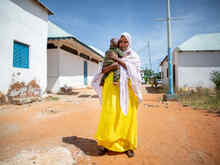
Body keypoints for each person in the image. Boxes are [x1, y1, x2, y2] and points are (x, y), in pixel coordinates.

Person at [92, 32, 142, 158]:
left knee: (127, 117)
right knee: (109, 115)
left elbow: (135, 72)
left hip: (128, 91)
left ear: (129, 43)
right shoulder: (111, 53)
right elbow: (103, 70)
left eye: (126, 42)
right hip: (111, 88)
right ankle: (105, 144)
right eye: (121, 41)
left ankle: (128, 145)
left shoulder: (134, 56)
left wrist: (118, 61)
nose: (123, 44)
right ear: (118, 43)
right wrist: (113, 64)